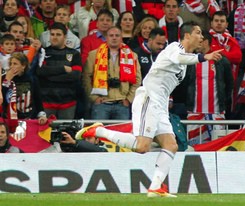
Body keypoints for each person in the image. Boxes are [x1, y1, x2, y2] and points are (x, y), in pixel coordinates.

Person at [75, 21, 223, 197]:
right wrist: (202, 58)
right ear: (187, 35)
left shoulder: (186, 60)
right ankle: (98, 131)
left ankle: (155, 187)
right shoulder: (174, 48)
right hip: (148, 99)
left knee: (171, 145)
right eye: (198, 32)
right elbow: (178, 58)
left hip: (160, 105)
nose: (201, 37)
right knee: (141, 147)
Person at [82, 26, 141, 120]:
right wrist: (93, 98)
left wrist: (129, 99)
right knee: (99, 133)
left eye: (117, 35)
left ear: (121, 37)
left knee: (121, 134)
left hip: (122, 103)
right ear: (106, 37)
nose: (114, 38)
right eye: (111, 35)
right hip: (101, 103)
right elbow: (86, 78)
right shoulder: (94, 55)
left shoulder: (132, 56)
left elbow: (137, 80)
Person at [185, 31, 233, 145]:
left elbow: (229, 84)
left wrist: (223, 104)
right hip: (195, 113)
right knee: (194, 148)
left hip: (216, 113)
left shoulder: (222, 61)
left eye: (199, 41)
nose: (196, 44)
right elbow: (184, 83)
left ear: (206, 42)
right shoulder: (190, 60)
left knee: (217, 147)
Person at [36, 22, 82, 120]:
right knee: (45, 134)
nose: (54, 37)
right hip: (46, 103)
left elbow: (76, 75)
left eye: (58, 34)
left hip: (68, 103)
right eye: (52, 34)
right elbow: (40, 72)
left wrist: (49, 76)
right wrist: (63, 69)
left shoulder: (74, 54)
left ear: (65, 37)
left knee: (66, 133)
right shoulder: (43, 52)